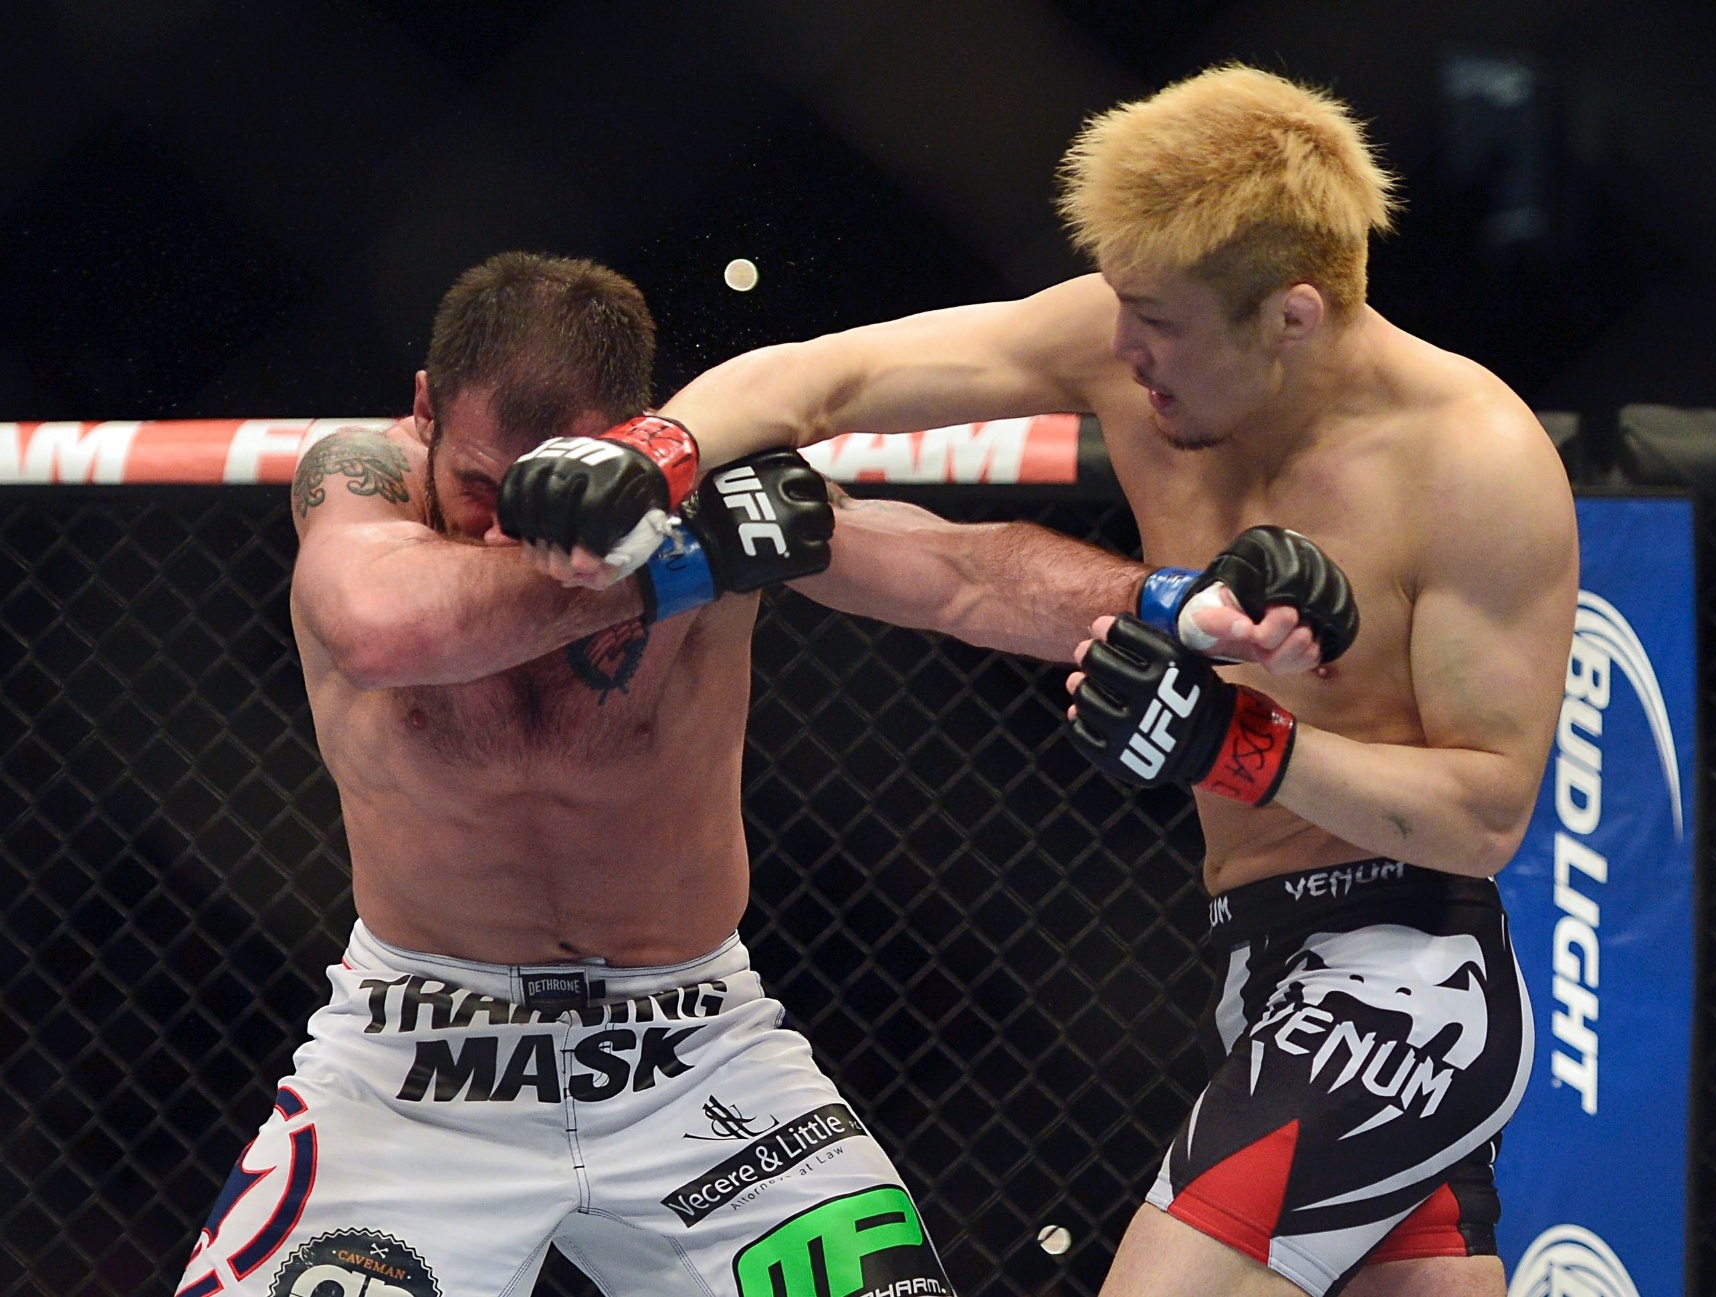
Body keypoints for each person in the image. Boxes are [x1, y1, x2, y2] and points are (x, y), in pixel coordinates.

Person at [500, 66, 1579, 1297]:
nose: (1122, 350)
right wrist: (654, 454)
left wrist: (1244, 748)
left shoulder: (1473, 463)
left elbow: (1489, 814)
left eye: (1159, 321)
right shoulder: (1134, 338)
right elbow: (829, 378)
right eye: (1121, 304)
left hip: (1402, 981)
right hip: (1255, 961)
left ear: (1292, 315)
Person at [171, 251, 1344, 1297]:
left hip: (693, 1053)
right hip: (417, 1054)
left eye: (549, 492)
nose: (506, 535)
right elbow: (378, 622)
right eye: (484, 489)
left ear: (633, 434)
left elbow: (953, 573)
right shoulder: (359, 475)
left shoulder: (706, 483)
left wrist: (1175, 600)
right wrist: (677, 568)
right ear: (425, 415)